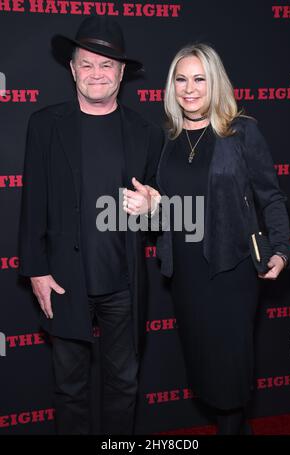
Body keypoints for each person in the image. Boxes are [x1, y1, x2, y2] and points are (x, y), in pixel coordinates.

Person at [123, 43, 290, 434]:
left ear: (215, 83)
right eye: (181, 79)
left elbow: (272, 195)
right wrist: (152, 207)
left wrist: (281, 248)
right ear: (171, 86)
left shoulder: (241, 131)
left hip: (231, 271)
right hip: (186, 276)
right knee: (204, 371)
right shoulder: (167, 140)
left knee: (230, 374)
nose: (189, 88)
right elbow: (176, 212)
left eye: (199, 78)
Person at [19, 16, 163, 435]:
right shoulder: (45, 125)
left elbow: (162, 211)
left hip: (123, 282)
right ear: (72, 69)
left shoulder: (145, 132)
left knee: (124, 384)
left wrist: (155, 207)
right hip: (64, 279)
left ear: (121, 74)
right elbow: (33, 203)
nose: (95, 73)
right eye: (87, 64)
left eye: (106, 66)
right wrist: (36, 270)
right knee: (70, 387)